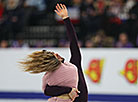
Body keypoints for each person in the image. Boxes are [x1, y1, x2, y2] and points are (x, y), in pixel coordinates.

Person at [19, 3, 88, 102]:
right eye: (54, 54)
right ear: (57, 58)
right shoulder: (74, 67)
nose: (56, 53)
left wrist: (68, 90)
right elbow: (74, 43)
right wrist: (66, 19)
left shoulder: (49, 75)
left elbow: (47, 91)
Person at [44, 4, 88, 102]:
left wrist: (66, 19)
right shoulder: (55, 74)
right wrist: (68, 90)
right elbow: (47, 90)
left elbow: (73, 43)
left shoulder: (74, 66)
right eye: (55, 55)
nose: (57, 54)